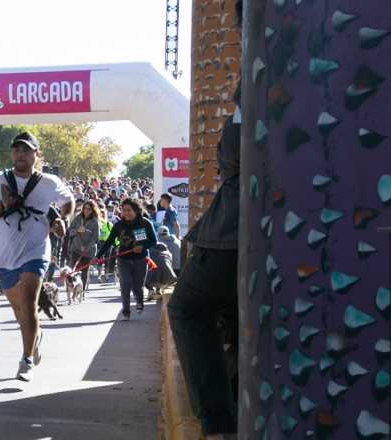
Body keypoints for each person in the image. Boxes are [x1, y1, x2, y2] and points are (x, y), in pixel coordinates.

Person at [0, 131, 74, 382]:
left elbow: (68, 201)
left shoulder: (48, 182)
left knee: (28, 303)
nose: (21, 154)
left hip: (36, 250)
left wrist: (62, 219)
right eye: (16, 149)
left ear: (36, 154)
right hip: (5, 256)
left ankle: (26, 360)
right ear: (11, 153)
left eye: (26, 150)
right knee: (20, 312)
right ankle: (34, 338)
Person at [167, 85, 242, 439]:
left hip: (235, 232)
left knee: (187, 307)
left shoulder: (263, 65)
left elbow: (235, 153)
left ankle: (218, 425)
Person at [96, 198, 158, 320]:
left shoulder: (145, 223)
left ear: (136, 210)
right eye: (124, 210)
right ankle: (126, 310)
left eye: (129, 210)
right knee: (125, 283)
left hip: (141, 259)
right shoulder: (119, 225)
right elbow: (109, 242)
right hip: (123, 259)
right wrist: (97, 257)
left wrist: (142, 246)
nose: (126, 213)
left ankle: (139, 301)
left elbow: (154, 241)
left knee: (137, 285)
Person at [67, 200, 100, 287]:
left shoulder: (95, 222)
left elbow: (95, 238)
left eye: (89, 209)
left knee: (84, 272)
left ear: (92, 210)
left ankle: (82, 291)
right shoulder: (78, 218)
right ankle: (72, 288)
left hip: (88, 251)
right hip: (76, 248)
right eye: (85, 208)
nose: (86, 211)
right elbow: (70, 230)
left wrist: (87, 247)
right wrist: (77, 230)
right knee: (73, 270)